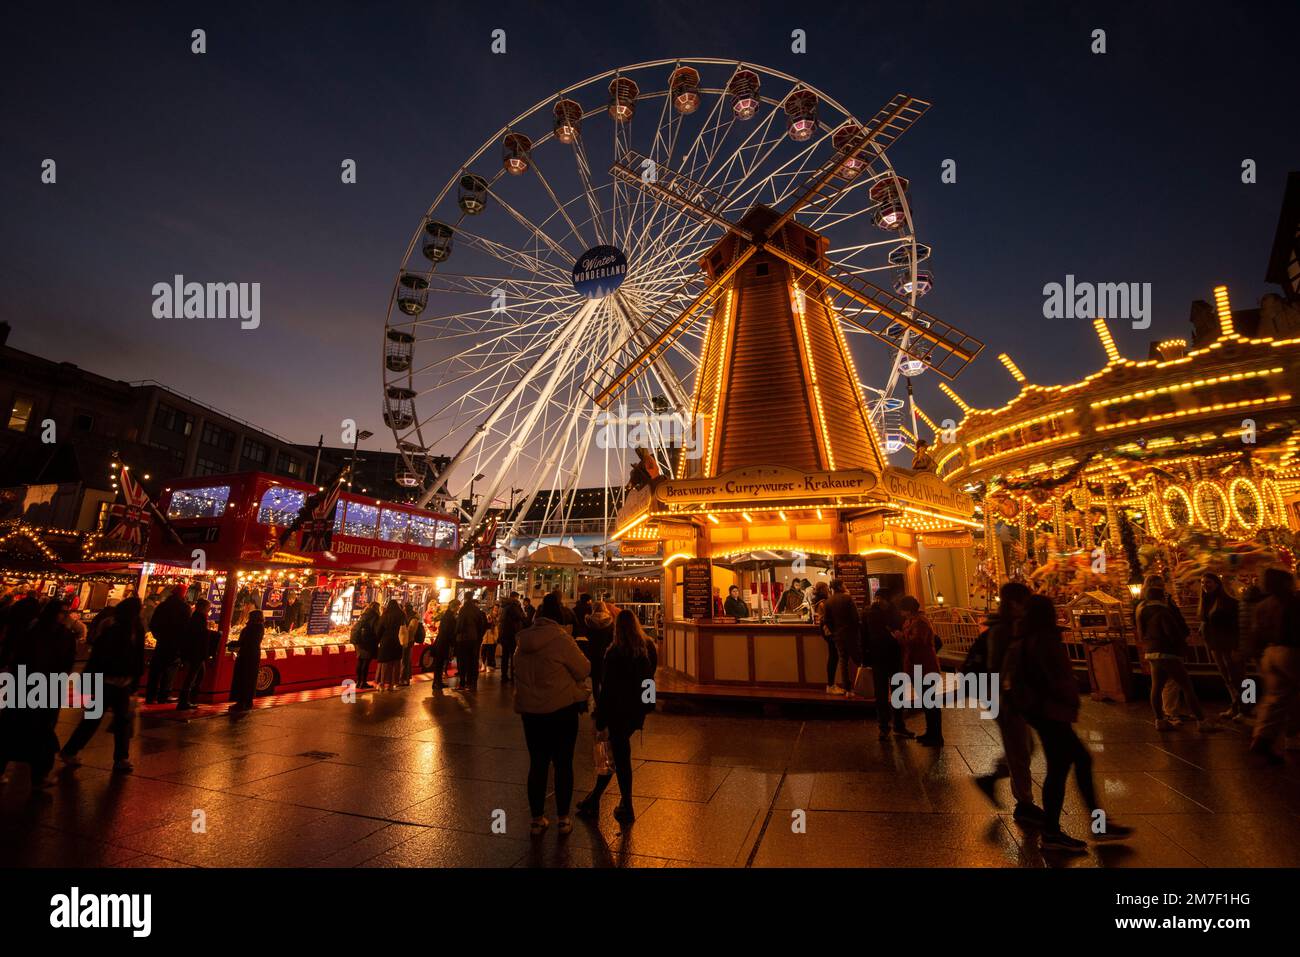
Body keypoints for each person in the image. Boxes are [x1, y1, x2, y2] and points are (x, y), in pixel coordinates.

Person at [1007, 595, 1132, 851]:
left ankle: (1094, 825)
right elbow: (1053, 676)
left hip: (1044, 711)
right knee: (1063, 767)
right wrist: (1069, 691)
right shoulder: (1043, 641)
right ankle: (1056, 832)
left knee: (1074, 763)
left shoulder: (1026, 638)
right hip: (1051, 711)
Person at [513, 592, 591, 835]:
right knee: (563, 763)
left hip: (530, 713)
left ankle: (536, 819)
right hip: (561, 710)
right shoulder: (561, 640)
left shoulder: (521, 644)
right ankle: (563, 817)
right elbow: (584, 669)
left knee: (537, 764)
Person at [968, 581, 1043, 822]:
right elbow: (996, 667)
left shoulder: (1014, 627)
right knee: (1019, 748)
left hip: (1010, 694)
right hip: (1002, 694)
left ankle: (993, 778)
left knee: (1025, 747)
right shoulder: (1002, 631)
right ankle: (1024, 802)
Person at [577, 609, 657, 823]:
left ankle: (624, 804)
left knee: (617, 757)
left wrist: (601, 716)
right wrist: (648, 702)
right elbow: (650, 679)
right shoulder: (647, 647)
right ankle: (596, 799)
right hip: (635, 711)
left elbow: (608, 688)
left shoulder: (614, 652)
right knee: (616, 755)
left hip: (617, 712)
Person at [61, 597, 146, 774]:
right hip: (112, 681)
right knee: (103, 720)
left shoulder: (125, 629)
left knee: (109, 720)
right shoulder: (122, 630)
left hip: (115, 681)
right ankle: (118, 758)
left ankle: (118, 757)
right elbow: (123, 657)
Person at [0, 598, 77, 788]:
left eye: (66, 612)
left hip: (43, 687)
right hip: (30, 687)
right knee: (21, 731)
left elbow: (67, 661)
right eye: (62, 612)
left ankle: (39, 775)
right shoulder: (35, 631)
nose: (64, 616)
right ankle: (36, 775)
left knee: (38, 732)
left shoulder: (60, 634)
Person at [1137, 576, 1217, 732]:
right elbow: (1172, 633)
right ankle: (1202, 721)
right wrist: (1183, 642)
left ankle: (1159, 720)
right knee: (1186, 686)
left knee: (1156, 686)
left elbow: (1142, 632)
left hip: (1151, 651)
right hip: (1168, 652)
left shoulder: (1142, 609)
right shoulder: (1163, 611)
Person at [1249, 567, 1300, 764]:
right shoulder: (1292, 602)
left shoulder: (1263, 605)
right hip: (1292, 651)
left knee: (1275, 698)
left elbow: (1256, 632)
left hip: (1270, 653)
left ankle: (1262, 738)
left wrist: (1256, 654)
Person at [863, 587, 912, 739]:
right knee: (892, 692)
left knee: (883, 693)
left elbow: (863, 636)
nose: (879, 601)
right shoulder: (893, 613)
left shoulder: (868, 614)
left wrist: (865, 657)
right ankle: (894, 725)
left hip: (881, 656)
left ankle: (887, 727)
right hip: (891, 655)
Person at [1199, 573, 1248, 720]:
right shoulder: (1205, 602)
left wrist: (1237, 646)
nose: (1205, 585)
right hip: (1216, 645)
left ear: (1217, 583)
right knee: (1227, 677)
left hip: (1230, 644)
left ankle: (1247, 706)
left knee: (1240, 677)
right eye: (1202, 583)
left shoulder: (1229, 602)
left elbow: (1237, 625)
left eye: (1208, 582)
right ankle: (1235, 705)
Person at [897, 595, 943, 745]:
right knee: (927, 702)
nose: (900, 613)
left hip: (925, 666)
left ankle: (936, 735)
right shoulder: (912, 621)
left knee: (930, 702)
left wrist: (899, 637)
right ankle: (931, 732)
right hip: (917, 665)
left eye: (902, 609)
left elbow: (917, 642)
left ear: (908, 609)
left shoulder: (920, 622)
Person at [145, 585, 188, 704]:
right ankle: (164, 694)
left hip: (162, 642)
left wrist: (158, 636)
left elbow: (153, 624)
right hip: (174, 644)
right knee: (170, 670)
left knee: (156, 670)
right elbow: (185, 628)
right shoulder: (184, 608)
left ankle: (150, 695)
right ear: (183, 594)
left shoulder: (162, 606)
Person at [822, 579, 862, 696]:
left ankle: (847, 689)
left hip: (838, 635)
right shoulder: (848, 598)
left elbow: (826, 620)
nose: (845, 585)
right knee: (859, 660)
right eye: (843, 584)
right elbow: (855, 617)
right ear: (840, 586)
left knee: (843, 662)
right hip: (851, 634)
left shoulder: (828, 602)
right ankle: (865, 686)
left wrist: (834, 631)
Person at [174, 599, 212, 710]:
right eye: (208, 608)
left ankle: (189, 699)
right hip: (196, 652)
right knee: (193, 676)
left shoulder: (195, 617)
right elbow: (200, 638)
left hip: (193, 652)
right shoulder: (199, 619)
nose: (209, 610)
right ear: (203, 607)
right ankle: (185, 700)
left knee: (196, 675)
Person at [230, 609, 265, 711]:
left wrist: (232, 644)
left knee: (243, 678)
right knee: (250, 679)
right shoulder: (260, 627)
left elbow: (245, 642)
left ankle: (241, 702)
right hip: (254, 655)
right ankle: (248, 701)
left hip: (247, 655)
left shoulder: (252, 628)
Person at [584, 599, 616, 699]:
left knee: (595, 679)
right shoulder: (609, 621)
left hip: (593, 651)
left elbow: (587, 635)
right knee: (605, 677)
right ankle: (605, 701)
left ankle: (597, 702)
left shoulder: (589, 621)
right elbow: (612, 638)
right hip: (606, 652)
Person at [455, 596, 487, 691]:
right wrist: (479, 637)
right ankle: (472, 683)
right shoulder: (478, 611)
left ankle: (462, 683)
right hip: (474, 640)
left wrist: (456, 634)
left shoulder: (463, 610)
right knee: (473, 661)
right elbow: (482, 625)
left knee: (462, 661)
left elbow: (459, 625)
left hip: (464, 639)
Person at [375, 600, 406, 690]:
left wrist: (378, 640)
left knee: (385, 664)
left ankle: (381, 684)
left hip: (386, 641)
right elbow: (405, 627)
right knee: (395, 663)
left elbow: (379, 630)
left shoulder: (385, 615)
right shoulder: (402, 615)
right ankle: (391, 684)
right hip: (397, 641)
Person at [430, 598, 459, 690]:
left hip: (442, 641)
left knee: (440, 663)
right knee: (439, 663)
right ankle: (437, 683)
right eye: (458, 606)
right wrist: (453, 642)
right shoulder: (449, 617)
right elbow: (449, 631)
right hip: (443, 642)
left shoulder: (447, 615)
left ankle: (437, 682)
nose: (458, 608)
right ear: (454, 607)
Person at [352, 601, 380, 689]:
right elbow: (376, 629)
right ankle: (363, 682)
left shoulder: (364, 614)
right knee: (366, 662)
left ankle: (358, 682)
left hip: (359, 641)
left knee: (360, 661)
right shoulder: (374, 616)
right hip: (368, 641)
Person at [497, 593, 523, 682]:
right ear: (515, 597)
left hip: (504, 634)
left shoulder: (504, 606)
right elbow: (519, 616)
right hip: (512, 634)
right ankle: (513, 675)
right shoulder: (513, 606)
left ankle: (504, 675)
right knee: (513, 655)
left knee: (505, 655)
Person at [400, 602, 423, 687]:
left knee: (405, 660)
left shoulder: (413, 619)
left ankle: (404, 679)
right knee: (406, 660)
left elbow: (411, 631)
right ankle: (405, 678)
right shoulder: (411, 617)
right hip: (407, 641)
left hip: (408, 641)